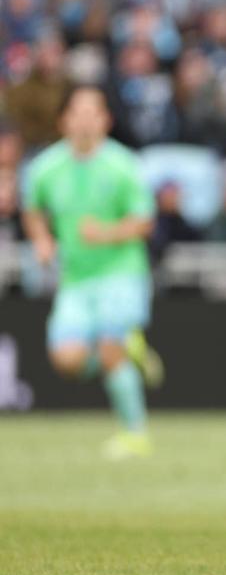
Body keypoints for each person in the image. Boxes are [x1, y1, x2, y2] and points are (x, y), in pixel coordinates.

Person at [21, 85, 164, 460]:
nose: (85, 120)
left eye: (93, 112)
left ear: (106, 120)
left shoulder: (124, 166)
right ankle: (128, 355)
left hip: (122, 272)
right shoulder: (44, 168)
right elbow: (32, 209)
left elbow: (145, 223)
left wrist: (106, 233)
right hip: (75, 278)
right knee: (67, 359)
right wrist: (41, 241)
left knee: (108, 345)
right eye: (77, 112)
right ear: (63, 120)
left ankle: (135, 434)